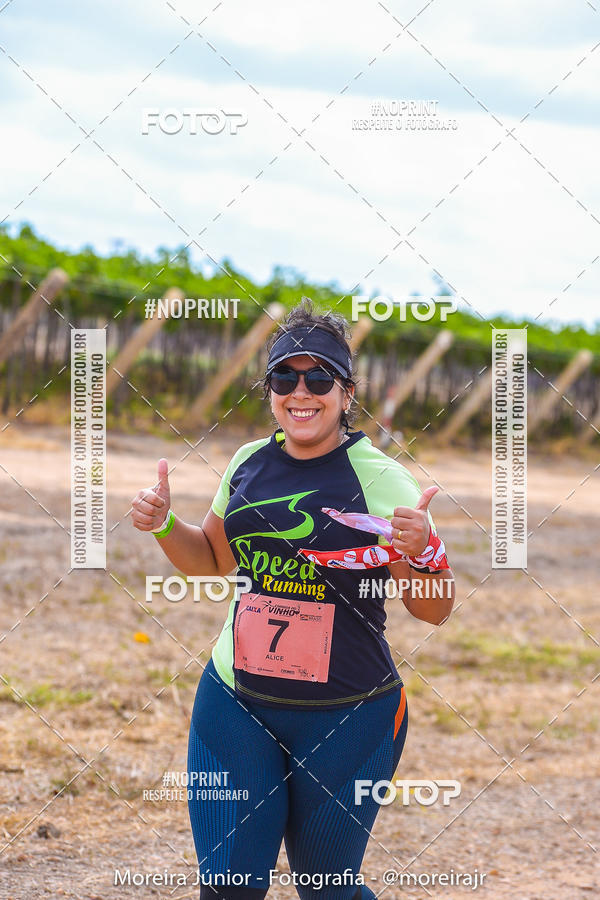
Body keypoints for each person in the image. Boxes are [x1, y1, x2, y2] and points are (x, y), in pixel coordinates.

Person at [131, 298, 455, 900]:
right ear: (269, 389)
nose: (300, 391)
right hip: (236, 703)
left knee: (327, 890)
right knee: (229, 887)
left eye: (318, 377)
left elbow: (432, 610)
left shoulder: (383, 479)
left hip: (349, 715)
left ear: (346, 392)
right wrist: (162, 523)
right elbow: (209, 559)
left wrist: (424, 550)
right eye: (285, 375)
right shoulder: (248, 462)